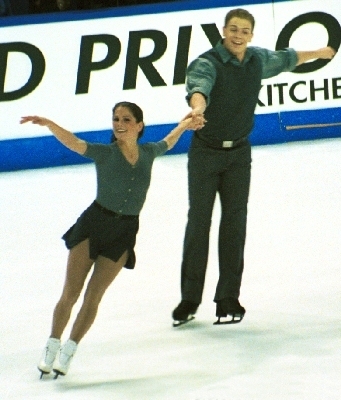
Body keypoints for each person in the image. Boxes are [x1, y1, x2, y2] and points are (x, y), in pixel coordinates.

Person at [172, 8, 336, 327]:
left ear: (251, 35)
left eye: (244, 31)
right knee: (199, 223)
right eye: (233, 29)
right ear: (223, 30)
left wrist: (319, 52)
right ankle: (189, 299)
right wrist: (197, 109)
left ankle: (228, 298)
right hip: (206, 153)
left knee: (234, 224)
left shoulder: (257, 60)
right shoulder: (207, 62)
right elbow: (199, 87)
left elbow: (287, 58)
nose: (237, 35)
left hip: (239, 156)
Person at [20, 102, 204, 378]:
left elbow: (169, 141)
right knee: (71, 292)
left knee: (94, 296)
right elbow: (75, 142)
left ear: (139, 126)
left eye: (126, 119)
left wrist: (185, 123)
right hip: (93, 226)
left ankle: (69, 350)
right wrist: (50, 124)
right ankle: (52, 345)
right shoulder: (105, 153)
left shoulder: (149, 152)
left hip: (124, 232)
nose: (119, 123)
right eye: (116, 118)